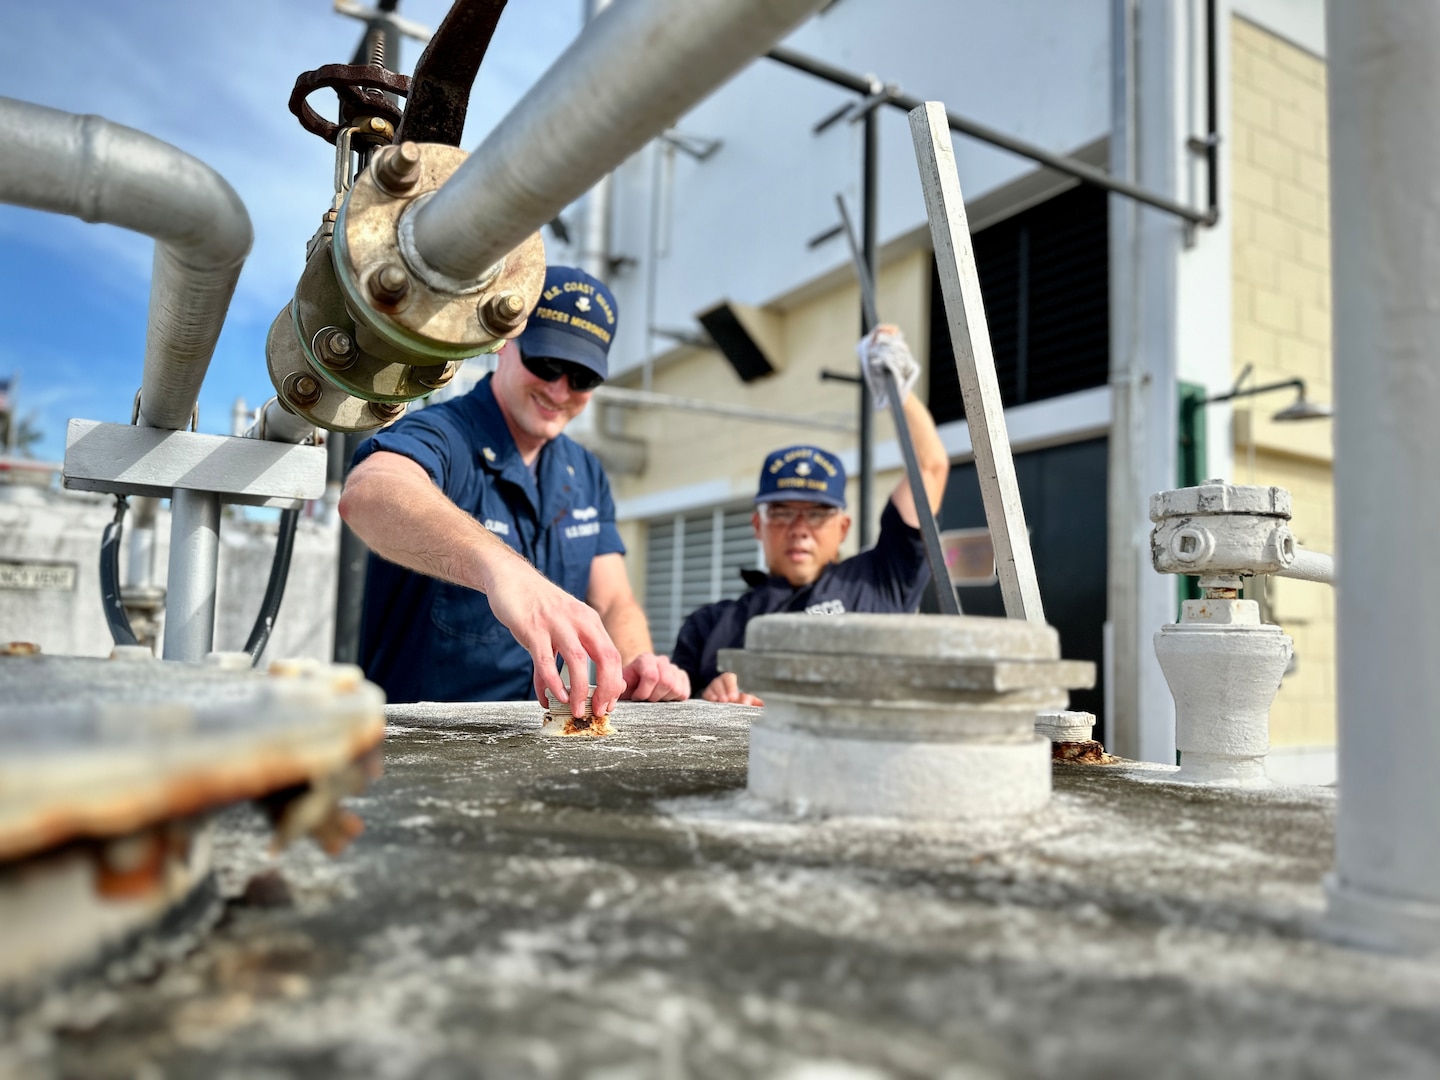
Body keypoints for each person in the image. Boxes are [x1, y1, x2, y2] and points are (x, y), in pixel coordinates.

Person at [338, 266, 689, 714]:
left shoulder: (585, 472)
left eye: (581, 377)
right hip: (422, 752)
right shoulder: (444, 433)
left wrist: (638, 660)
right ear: (504, 342)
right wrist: (501, 570)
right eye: (546, 363)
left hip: (533, 751)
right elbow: (370, 491)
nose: (559, 390)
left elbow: (615, 598)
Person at [670, 325, 949, 706]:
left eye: (817, 515)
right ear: (758, 525)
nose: (800, 529)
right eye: (782, 513)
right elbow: (670, 714)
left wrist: (899, 394)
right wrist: (711, 697)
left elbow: (929, 469)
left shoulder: (880, 580)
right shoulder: (707, 626)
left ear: (843, 527)